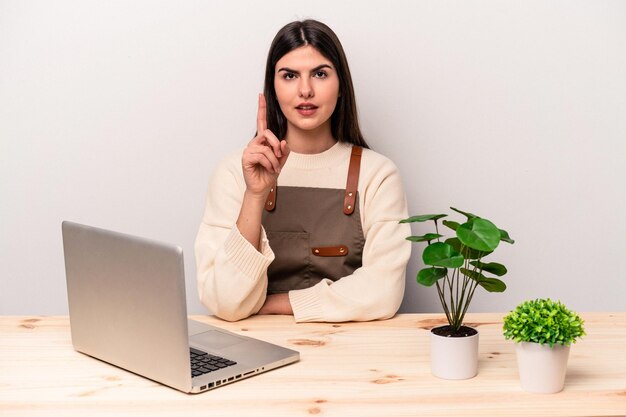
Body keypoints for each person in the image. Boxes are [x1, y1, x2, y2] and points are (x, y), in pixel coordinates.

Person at [194, 19, 411, 323]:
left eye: (320, 74)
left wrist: (273, 305)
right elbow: (225, 302)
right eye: (290, 75)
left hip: (354, 351)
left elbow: (383, 291)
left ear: (341, 87)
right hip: (254, 353)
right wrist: (255, 195)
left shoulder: (378, 175)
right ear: (273, 86)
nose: (305, 90)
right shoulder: (233, 171)